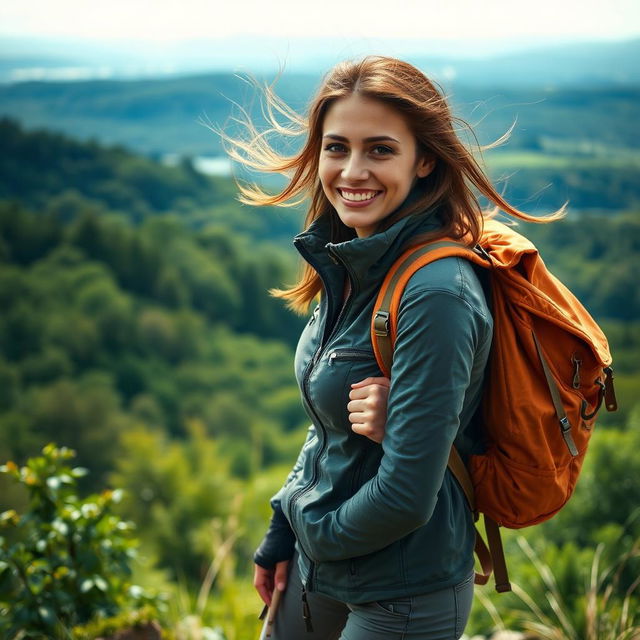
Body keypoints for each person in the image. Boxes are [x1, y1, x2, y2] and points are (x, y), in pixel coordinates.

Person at [222, 56, 564, 640]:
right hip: (320, 565)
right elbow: (329, 421)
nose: (352, 171)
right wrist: (284, 526)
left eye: (380, 149)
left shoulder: (436, 293)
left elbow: (407, 496)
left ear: (424, 159)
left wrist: (311, 532)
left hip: (404, 594)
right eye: (337, 148)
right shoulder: (354, 259)